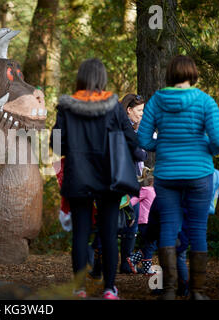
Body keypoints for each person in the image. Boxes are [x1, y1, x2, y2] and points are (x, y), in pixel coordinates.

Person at [50, 58, 141, 300]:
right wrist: (138, 154)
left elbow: (56, 145)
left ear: (80, 78)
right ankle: (110, 289)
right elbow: (130, 138)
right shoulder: (113, 106)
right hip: (110, 177)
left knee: (80, 233)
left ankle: (79, 289)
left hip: (78, 176)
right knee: (109, 233)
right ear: (102, 78)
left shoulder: (67, 107)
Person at [138, 55, 219, 300]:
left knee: (168, 227)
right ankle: (197, 292)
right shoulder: (205, 101)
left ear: (170, 75)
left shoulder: (156, 101)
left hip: (167, 176)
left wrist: (166, 145)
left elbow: (144, 140)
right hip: (199, 174)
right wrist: (201, 146)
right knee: (198, 230)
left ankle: (168, 290)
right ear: (194, 75)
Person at [117, 94, 148, 273]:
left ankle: (125, 263)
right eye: (139, 111)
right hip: (124, 182)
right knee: (126, 222)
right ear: (128, 110)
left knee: (131, 223)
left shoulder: (134, 128)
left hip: (132, 181)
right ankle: (102, 262)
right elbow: (139, 154)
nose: (142, 114)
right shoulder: (124, 128)